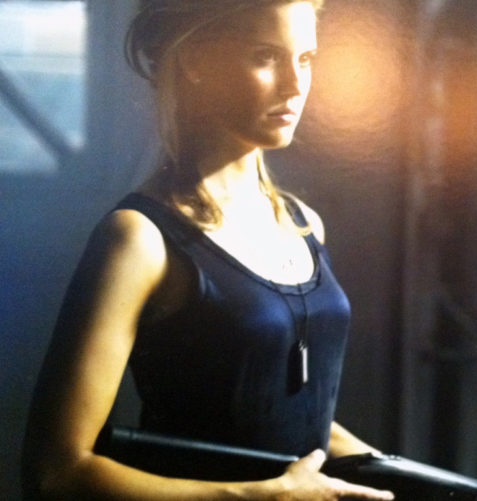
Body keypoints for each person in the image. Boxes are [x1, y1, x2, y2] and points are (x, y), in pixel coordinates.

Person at [21, 1, 394, 499]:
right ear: (196, 60)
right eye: (266, 56)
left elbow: (296, 423)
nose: (295, 85)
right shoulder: (140, 238)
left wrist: (413, 484)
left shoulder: (303, 224)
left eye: (305, 59)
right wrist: (258, 497)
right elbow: (55, 471)